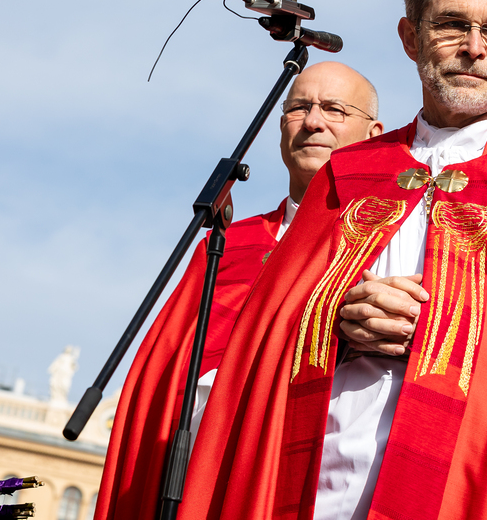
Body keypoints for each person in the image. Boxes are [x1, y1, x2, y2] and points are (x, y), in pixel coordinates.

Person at [175, 0, 487, 520]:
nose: (474, 48)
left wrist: (443, 333)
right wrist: (334, 323)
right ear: (411, 38)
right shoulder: (346, 174)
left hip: (462, 492)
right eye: (452, 25)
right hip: (314, 483)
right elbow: (260, 341)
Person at [94, 61, 383, 520]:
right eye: (298, 108)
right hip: (200, 475)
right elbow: (165, 374)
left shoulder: (390, 242)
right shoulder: (228, 244)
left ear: (372, 134)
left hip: (321, 476)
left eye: (334, 109)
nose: (313, 121)